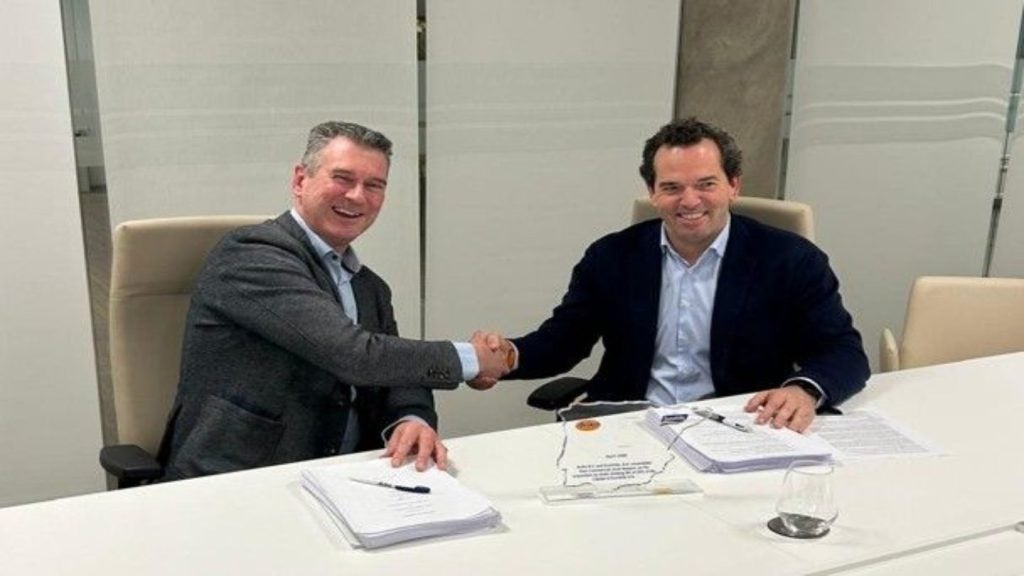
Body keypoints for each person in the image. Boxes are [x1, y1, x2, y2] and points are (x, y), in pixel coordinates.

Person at [158, 121, 510, 481]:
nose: (357, 196)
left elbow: (397, 372)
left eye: (374, 185)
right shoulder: (252, 254)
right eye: (343, 178)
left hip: (350, 476)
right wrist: (474, 359)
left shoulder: (371, 287)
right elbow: (354, 355)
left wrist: (412, 418)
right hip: (242, 477)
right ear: (300, 180)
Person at [472, 118, 869, 432]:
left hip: (739, 425)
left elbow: (843, 352)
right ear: (652, 191)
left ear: (733, 185)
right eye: (672, 187)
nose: (690, 200)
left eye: (706, 184)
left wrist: (803, 390)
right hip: (632, 424)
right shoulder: (611, 257)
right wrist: (504, 356)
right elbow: (563, 342)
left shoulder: (791, 259)